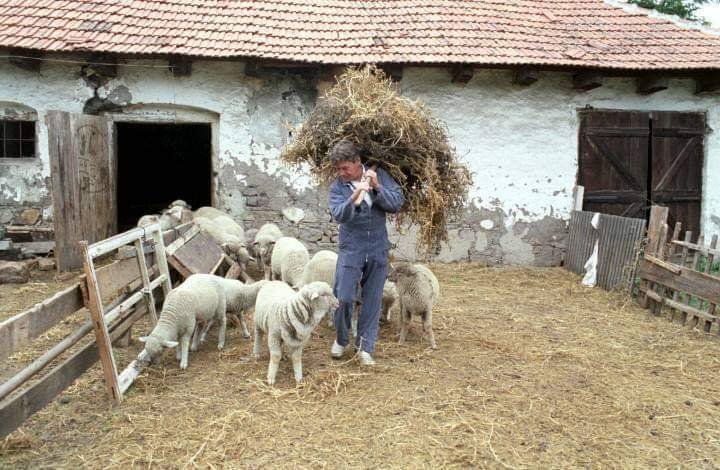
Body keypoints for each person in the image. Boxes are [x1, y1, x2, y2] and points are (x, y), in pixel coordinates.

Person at [327, 140, 404, 365]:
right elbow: (339, 214)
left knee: (372, 298)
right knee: (343, 296)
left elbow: (397, 202)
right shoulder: (338, 188)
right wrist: (355, 195)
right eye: (338, 169)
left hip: (378, 246)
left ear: (357, 162)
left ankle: (365, 347)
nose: (341, 173)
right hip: (352, 247)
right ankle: (341, 339)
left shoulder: (379, 174)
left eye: (345, 168)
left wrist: (378, 186)